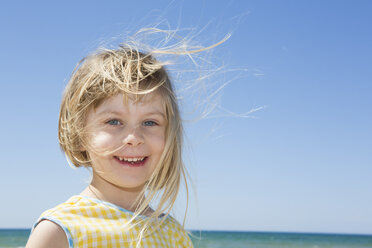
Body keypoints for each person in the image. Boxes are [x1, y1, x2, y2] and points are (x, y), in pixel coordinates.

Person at [25, 33, 196, 247]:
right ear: (80, 135)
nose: (134, 138)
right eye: (114, 122)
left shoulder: (174, 235)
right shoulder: (58, 231)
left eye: (150, 122)